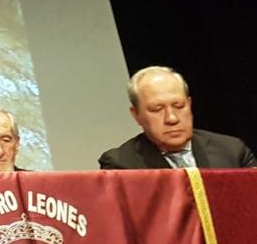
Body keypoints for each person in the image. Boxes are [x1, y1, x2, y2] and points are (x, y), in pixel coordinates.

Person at [98, 66, 255, 170]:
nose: (172, 118)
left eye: (179, 106)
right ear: (136, 115)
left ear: (189, 104)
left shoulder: (232, 151)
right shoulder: (121, 164)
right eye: (157, 109)